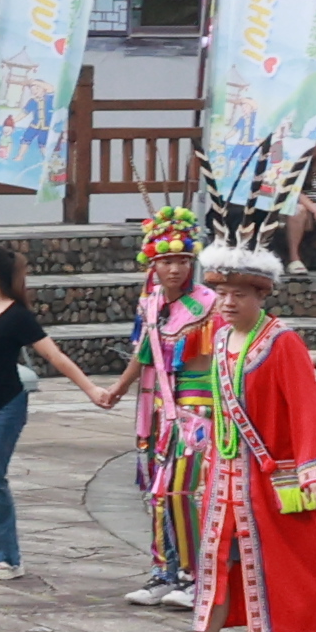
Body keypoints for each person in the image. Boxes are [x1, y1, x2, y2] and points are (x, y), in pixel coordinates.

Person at [154, 242, 316, 632]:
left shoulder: (283, 342)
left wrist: (314, 470)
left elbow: (305, 409)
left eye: (240, 293)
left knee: (304, 562)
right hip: (225, 474)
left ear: (261, 296)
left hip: (276, 476)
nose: (228, 302)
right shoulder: (220, 339)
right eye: (222, 293)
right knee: (215, 564)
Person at [117, 216, 212, 606]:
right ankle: (163, 571)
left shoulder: (207, 305)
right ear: (152, 264)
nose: (174, 268)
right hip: (159, 405)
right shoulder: (151, 304)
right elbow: (144, 353)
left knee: (178, 489)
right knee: (158, 491)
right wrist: (119, 388)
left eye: (182, 260)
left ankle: (195, 574)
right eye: (166, 260)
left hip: (197, 406)